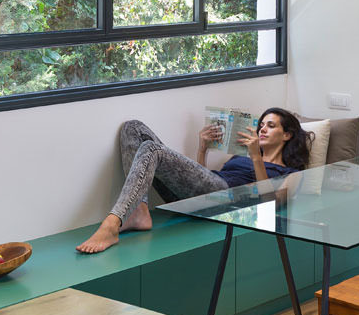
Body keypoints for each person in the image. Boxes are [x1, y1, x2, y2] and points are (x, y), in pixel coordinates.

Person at [77, 109, 313, 254]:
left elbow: (268, 204)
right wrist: (202, 149)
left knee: (151, 149)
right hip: (209, 193)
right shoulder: (241, 157)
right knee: (133, 128)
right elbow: (205, 178)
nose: (262, 130)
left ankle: (112, 224)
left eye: (270, 126)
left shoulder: (290, 174)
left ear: (287, 135)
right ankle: (139, 210)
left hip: (228, 201)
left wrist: (255, 157)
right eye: (261, 125)